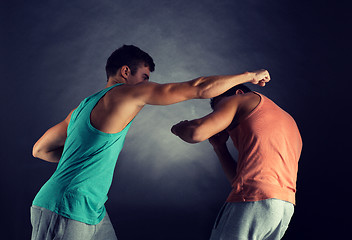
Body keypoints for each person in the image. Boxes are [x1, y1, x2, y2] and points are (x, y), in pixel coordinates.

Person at [31, 44, 270, 240]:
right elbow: (198, 88)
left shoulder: (81, 108)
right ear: (125, 72)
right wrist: (249, 76)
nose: (147, 84)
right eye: (144, 77)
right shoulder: (125, 93)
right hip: (65, 207)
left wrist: (82, 156)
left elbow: (40, 149)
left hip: (92, 209)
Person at [171, 84, 302, 240]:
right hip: (283, 207)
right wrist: (220, 147)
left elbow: (195, 132)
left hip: (254, 200)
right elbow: (239, 180)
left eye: (220, 110)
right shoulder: (286, 120)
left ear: (238, 93)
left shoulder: (241, 99)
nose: (221, 120)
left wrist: (178, 128)